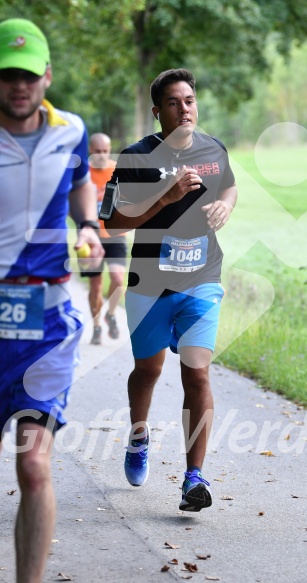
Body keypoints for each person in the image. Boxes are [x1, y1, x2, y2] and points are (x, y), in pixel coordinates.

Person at [0, 18, 104, 583]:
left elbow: (80, 177)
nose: (19, 86)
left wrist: (86, 223)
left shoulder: (70, 130)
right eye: (7, 75)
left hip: (46, 324)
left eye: (28, 75)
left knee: (35, 465)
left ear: (47, 75)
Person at [105, 68, 237, 512]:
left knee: (196, 371)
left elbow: (231, 187)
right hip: (149, 283)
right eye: (175, 103)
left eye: (190, 100)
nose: (185, 109)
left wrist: (224, 205)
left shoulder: (212, 149)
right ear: (157, 110)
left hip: (202, 277)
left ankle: (193, 478)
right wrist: (164, 196)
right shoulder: (136, 156)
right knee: (148, 371)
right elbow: (115, 223)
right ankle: (139, 437)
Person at [85, 132, 127, 345]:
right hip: (91, 236)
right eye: (97, 151)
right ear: (91, 150)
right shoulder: (83, 173)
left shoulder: (117, 171)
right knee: (95, 286)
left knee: (119, 279)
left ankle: (111, 314)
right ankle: (97, 327)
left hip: (115, 234)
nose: (101, 155)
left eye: (105, 151)